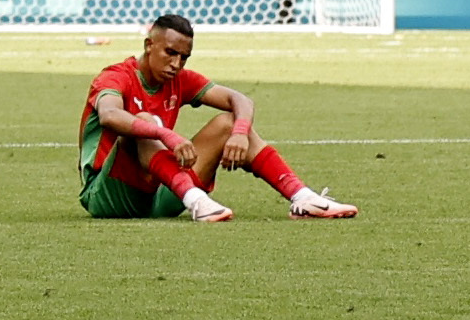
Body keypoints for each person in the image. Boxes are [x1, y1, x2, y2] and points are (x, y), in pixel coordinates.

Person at [75, 13, 357, 220]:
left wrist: (239, 132)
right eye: (170, 53)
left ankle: (302, 197)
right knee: (146, 123)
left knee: (228, 122)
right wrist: (165, 134)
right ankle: (197, 202)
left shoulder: (180, 79)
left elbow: (240, 100)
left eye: (183, 57)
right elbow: (110, 115)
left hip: (160, 193)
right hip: (108, 195)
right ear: (149, 45)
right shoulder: (115, 76)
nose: (176, 64)